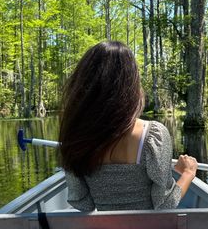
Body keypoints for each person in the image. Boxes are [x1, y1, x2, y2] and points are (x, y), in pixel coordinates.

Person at [59, 41, 198, 211]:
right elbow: (165, 204)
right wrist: (188, 173)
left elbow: (83, 203)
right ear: (130, 84)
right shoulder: (153, 135)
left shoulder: (75, 138)